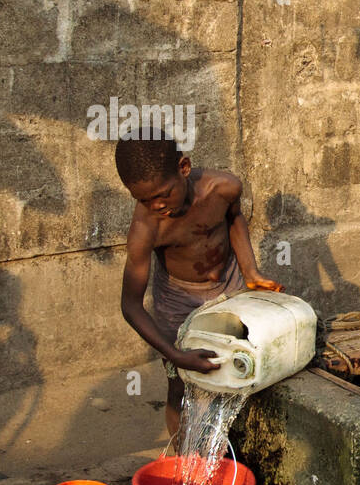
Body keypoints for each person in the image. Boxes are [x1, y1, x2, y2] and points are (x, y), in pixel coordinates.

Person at [115, 128, 282, 436]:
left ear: (184, 168)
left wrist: (250, 272)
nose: (157, 206)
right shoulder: (146, 229)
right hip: (177, 300)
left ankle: (234, 449)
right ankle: (184, 459)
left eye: (164, 194)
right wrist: (174, 354)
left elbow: (233, 219)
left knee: (239, 365)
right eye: (143, 199)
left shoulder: (224, 188)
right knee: (181, 383)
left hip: (229, 285)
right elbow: (130, 306)